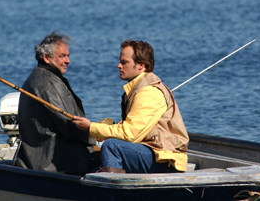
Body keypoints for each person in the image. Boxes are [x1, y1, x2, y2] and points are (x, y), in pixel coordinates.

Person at [72, 40, 189, 173]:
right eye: (120, 61)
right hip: (151, 152)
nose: (118, 66)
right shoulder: (137, 89)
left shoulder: (149, 92)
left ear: (141, 65)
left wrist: (91, 127)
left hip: (164, 159)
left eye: (124, 62)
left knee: (112, 146)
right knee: (89, 174)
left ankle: (113, 191)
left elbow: (130, 134)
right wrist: (102, 133)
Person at [16, 31, 98, 175]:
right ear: (47, 58)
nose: (68, 61)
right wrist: (98, 135)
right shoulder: (49, 83)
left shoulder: (35, 78)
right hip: (56, 165)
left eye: (68, 56)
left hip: (35, 161)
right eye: (62, 56)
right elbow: (70, 126)